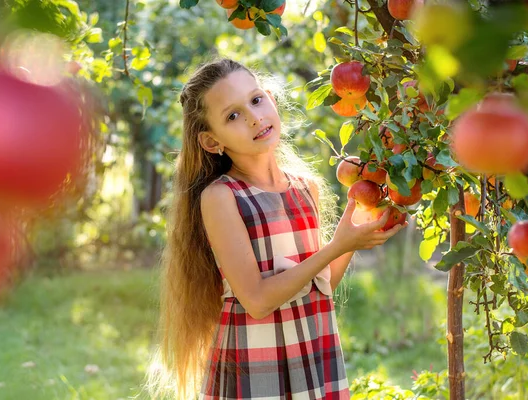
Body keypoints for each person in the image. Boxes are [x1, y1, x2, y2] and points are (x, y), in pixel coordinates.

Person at [158, 58, 405, 400]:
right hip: (257, 360)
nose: (255, 117)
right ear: (212, 142)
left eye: (256, 100)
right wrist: (337, 246)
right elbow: (257, 301)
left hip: (312, 349)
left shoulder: (306, 188)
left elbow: (320, 284)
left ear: (271, 98)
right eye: (233, 115)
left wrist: (356, 230)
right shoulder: (222, 197)